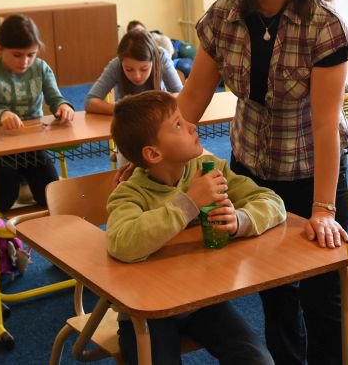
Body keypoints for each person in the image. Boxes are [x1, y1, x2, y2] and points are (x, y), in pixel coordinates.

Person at [175, 0, 348, 365]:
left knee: (323, 295)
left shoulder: (324, 27)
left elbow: (325, 125)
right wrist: (144, 153)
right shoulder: (223, 16)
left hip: (313, 172)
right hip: (252, 170)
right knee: (274, 289)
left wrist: (323, 210)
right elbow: (191, 101)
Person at [107, 91, 285, 365]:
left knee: (258, 360)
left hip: (202, 302)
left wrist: (240, 220)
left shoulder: (208, 171)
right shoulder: (130, 193)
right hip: (146, 312)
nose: (192, 126)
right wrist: (188, 203)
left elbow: (272, 202)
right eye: (178, 124)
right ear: (153, 153)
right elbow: (122, 243)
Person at [0, 14, 74, 212]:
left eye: (31, 54)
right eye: (17, 55)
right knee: (1, 203)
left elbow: (56, 100)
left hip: (33, 146)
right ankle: (20, 180)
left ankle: (24, 179)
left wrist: (64, 107)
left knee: (51, 198)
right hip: (2, 150)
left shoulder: (41, 68)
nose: (25, 62)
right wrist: (1, 115)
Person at [84, 29, 183, 115]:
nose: (137, 76)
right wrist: (123, 110)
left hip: (158, 118)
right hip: (128, 120)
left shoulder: (161, 58)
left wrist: (159, 107)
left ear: (153, 61)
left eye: (144, 69)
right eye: (129, 69)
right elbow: (90, 102)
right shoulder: (116, 65)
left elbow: (181, 94)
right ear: (121, 62)